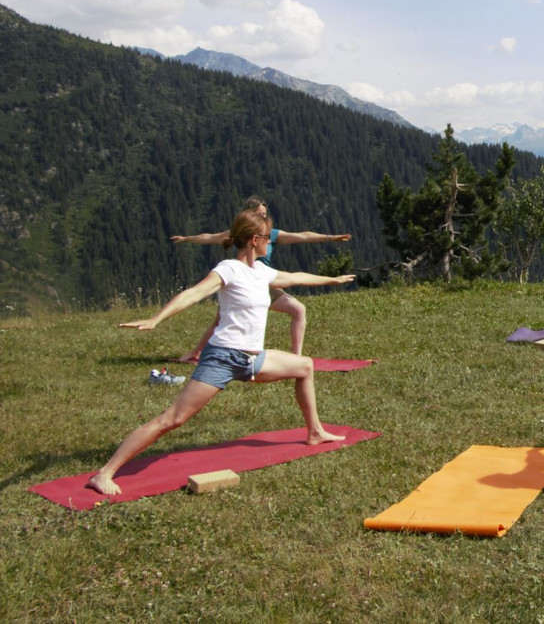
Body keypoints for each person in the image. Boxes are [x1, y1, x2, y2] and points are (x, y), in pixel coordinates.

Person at [86, 209, 356, 496]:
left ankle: (314, 431)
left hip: (252, 359)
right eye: (267, 238)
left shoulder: (261, 271)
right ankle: (104, 474)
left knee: (304, 366)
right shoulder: (228, 269)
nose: (270, 244)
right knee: (172, 419)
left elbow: (295, 277)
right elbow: (194, 293)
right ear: (254, 240)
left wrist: (332, 280)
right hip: (223, 358)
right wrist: (157, 318)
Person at [171, 195, 351, 361]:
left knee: (298, 310)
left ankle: (297, 357)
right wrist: (186, 239)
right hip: (243, 284)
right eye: (259, 214)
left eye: (265, 214)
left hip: (265, 282)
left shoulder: (271, 234)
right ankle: (195, 353)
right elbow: (210, 237)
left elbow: (303, 236)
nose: (263, 218)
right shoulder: (239, 232)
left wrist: (331, 237)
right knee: (219, 320)